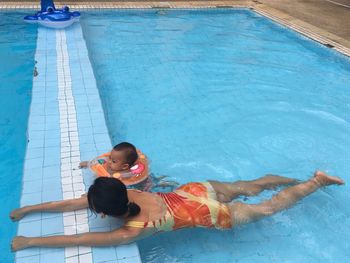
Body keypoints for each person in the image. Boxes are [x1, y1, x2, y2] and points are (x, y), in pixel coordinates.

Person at [10, 171, 344, 251]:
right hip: (195, 191)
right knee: (251, 185)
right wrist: (27, 209)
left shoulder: (132, 230)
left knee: (268, 209)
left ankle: (316, 183)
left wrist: (30, 242)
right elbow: (71, 204)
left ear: (101, 212)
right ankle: (300, 176)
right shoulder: (122, 189)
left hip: (211, 217)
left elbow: (79, 238)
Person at [79, 142, 150, 187]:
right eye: (109, 158)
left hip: (139, 183)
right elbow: (102, 161)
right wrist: (89, 163)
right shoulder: (113, 163)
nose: (109, 161)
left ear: (124, 166)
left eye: (113, 161)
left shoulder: (126, 175)